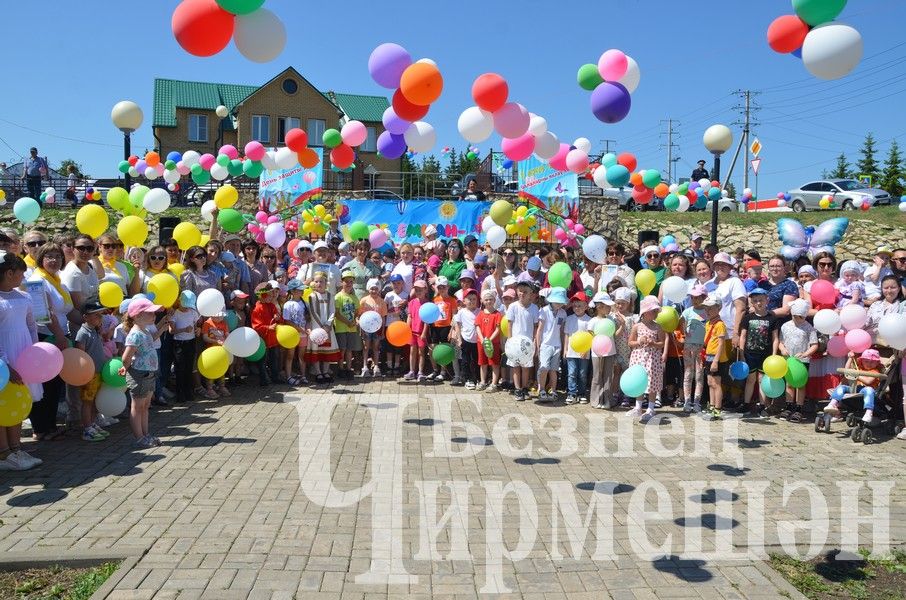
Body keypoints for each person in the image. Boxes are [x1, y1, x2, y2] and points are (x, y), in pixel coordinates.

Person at [0, 251, 44, 470]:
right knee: (3, 401)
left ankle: (16, 448)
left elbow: (31, 326)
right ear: (9, 273)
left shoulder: (23, 297)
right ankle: (4, 452)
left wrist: (34, 353)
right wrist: (5, 364)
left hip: (23, 353)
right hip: (4, 357)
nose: (22, 278)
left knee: (17, 400)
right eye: (20, 273)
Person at [119, 298, 165, 448]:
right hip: (139, 374)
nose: (154, 316)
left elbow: (149, 342)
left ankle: (146, 434)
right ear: (137, 316)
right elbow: (126, 356)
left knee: (145, 406)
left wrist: (162, 328)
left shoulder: (144, 330)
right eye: (150, 313)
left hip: (149, 373)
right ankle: (139, 437)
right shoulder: (135, 334)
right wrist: (124, 367)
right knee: (137, 407)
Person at [738, 288, 779, 416]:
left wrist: (773, 355)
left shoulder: (772, 319)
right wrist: (741, 352)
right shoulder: (748, 318)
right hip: (750, 353)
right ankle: (746, 403)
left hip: (765, 355)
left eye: (761, 300)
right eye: (755, 301)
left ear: (767, 300)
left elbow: (775, 338)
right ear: (751, 303)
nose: (758, 303)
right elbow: (743, 336)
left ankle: (762, 405)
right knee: (750, 379)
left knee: (762, 380)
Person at [74, 302, 110, 442]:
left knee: (95, 400)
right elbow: (80, 355)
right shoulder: (82, 333)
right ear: (86, 317)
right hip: (89, 374)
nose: (100, 317)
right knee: (87, 401)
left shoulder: (95, 330)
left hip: (99, 371)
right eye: (96, 315)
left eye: (100, 314)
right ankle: (87, 428)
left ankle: (93, 423)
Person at [778, 299, 818, 422]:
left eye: (801, 317)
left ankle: (799, 408)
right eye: (795, 316)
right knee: (789, 383)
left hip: (802, 361)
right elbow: (781, 342)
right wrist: (782, 349)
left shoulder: (808, 327)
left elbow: (814, 344)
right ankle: (789, 406)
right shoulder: (785, 326)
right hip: (789, 360)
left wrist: (806, 353)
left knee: (800, 384)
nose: (798, 319)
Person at [627, 296, 666, 422]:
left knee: (652, 383)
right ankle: (638, 407)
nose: (655, 314)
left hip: (652, 359)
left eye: (656, 311)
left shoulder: (658, 327)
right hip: (639, 358)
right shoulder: (637, 326)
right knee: (640, 381)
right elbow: (630, 343)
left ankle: (650, 408)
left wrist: (653, 343)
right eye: (653, 311)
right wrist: (639, 341)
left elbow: (662, 343)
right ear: (645, 312)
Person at [506, 278, 540, 402]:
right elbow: (509, 324)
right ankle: (517, 388)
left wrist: (535, 341)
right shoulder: (513, 307)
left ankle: (525, 388)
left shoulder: (534, 308)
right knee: (515, 367)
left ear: (531, 293)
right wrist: (509, 340)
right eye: (520, 291)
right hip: (515, 343)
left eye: (525, 291)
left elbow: (536, 326)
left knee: (526, 367)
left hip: (527, 344)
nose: (522, 293)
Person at [304, 272, 340, 383]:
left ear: (326, 283)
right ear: (313, 283)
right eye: (316, 281)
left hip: (327, 328)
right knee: (317, 350)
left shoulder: (330, 295)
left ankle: (325, 371)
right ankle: (318, 373)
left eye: (321, 281)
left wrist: (328, 324)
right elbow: (313, 312)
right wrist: (321, 327)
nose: (319, 283)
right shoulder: (312, 296)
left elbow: (332, 311)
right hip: (316, 327)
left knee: (326, 351)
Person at [679, 285, 708, 413]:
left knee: (699, 374)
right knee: (688, 373)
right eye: (692, 297)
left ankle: (697, 401)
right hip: (688, 346)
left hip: (702, 347)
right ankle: (687, 400)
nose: (694, 300)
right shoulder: (687, 311)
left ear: (704, 298)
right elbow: (680, 323)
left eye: (697, 297)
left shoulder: (708, 311)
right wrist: (683, 334)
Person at [536, 287, 567, 402]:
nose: (559, 304)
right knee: (544, 368)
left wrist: (563, 346)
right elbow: (539, 329)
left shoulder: (563, 313)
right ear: (551, 299)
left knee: (554, 369)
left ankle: (553, 390)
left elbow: (562, 331)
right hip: (545, 344)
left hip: (557, 345)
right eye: (557, 301)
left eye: (561, 301)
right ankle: (542, 389)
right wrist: (538, 345)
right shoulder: (544, 310)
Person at [711, 252, 747, 350]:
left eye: (724, 264)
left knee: (727, 364)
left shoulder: (735, 282)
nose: (720, 267)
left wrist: (736, 333)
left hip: (729, 333)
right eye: (717, 264)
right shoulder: (708, 284)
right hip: (711, 333)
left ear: (730, 267)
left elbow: (741, 309)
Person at [702, 294, 730, 420]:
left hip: (716, 358)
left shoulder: (719, 324)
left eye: (710, 308)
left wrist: (716, 361)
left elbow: (721, 344)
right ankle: (712, 405)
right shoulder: (708, 323)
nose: (707, 311)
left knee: (716, 383)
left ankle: (718, 409)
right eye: (706, 308)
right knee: (710, 382)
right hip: (708, 355)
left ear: (718, 308)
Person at [169, 290, 199, 403]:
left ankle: (188, 391)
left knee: (189, 368)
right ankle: (180, 393)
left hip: (191, 342)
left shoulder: (193, 312)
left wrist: (197, 330)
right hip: (179, 344)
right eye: (185, 305)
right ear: (180, 302)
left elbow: (196, 326)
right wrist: (184, 330)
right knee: (180, 369)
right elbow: (171, 331)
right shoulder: (175, 313)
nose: (187, 308)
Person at [251, 282, 284, 385]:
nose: (271, 297)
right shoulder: (257, 309)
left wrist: (278, 318)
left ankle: (275, 377)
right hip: (263, 340)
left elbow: (279, 320)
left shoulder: (271, 306)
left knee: (274, 359)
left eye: (272, 294)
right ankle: (263, 379)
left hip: (272, 339)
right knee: (262, 360)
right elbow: (256, 326)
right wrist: (268, 327)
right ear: (261, 296)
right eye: (267, 295)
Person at [564, 292, 592, 405]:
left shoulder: (589, 320)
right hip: (571, 352)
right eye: (575, 305)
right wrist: (565, 350)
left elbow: (590, 337)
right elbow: (567, 334)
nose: (577, 308)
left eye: (580, 305)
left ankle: (581, 393)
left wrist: (586, 350)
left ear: (586, 306)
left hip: (584, 353)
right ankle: (572, 393)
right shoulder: (569, 318)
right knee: (571, 373)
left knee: (582, 374)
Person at [334, 271, 363, 378]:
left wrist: (354, 321)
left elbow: (356, 312)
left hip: (352, 328)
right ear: (342, 282)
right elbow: (337, 313)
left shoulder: (354, 297)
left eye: (351, 281)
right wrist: (348, 322)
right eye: (346, 281)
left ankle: (348, 368)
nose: (349, 283)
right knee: (342, 349)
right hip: (341, 327)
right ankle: (341, 368)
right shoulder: (338, 297)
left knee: (349, 349)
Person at [452, 288, 480, 389]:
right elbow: (458, 326)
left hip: (477, 341)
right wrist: (459, 339)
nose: (472, 301)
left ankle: (476, 378)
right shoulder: (461, 312)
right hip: (465, 339)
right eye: (469, 299)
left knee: (476, 360)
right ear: (464, 301)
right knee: (465, 360)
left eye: (474, 299)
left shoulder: (480, 312)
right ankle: (467, 378)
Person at [475, 289, 502, 391]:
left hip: (493, 343)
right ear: (482, 301)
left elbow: (498, 329)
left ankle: (494, 384)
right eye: (486, 300)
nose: (488, 301)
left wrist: (489, 340)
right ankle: (483, 382)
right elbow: (477, 327)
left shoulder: (497, 314)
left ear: (494, 300)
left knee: (494, 363)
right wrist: (482, 340)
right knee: (483, 363)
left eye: (490, 299)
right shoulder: (480, 313)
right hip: (481, 343)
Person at [359, 278, 386, 377]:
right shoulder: (364, 300)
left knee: (376, 347)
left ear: (379, 290)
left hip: (377, 329)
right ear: (368, 289)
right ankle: (365, 366)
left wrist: (382, 330)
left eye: (376, 289)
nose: (374, 291)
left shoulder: (382, 302)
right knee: (366, 347)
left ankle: (376, 366)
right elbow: (360, 315)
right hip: (366, 328)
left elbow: (383, 317)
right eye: (372, 289)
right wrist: (360, 327)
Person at [404, 280, 430, 381]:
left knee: (421, 352)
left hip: (421, 332)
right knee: (412, 351)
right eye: (416, 289)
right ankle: (411, 371)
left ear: (425, 290)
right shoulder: (411, 302)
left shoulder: (427, 303)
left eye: (420, 289)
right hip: (412, 332)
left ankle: (420, 372)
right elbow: (409, 316)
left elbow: (428, 320)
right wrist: (407, 329)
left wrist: (424, 333)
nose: (418, 291)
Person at [201, 311, 230, 398]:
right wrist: (215, 341)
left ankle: (222, 387)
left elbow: (227, 334)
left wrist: (226, 340)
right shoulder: (207, 323)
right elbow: (205, 337)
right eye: (218, 317)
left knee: (222, 369)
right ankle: (209, 389)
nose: (220, 318)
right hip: (210, 351)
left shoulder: (224, 323)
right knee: (211, 370)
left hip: (221, 351)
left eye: (221, 317)